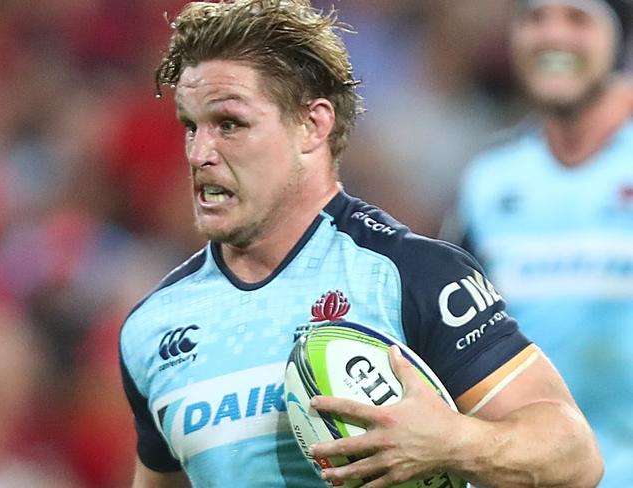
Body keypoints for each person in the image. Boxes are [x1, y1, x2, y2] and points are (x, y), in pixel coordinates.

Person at [119, 1, 603, 487]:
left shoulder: (411, 276)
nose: (200, 153)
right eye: (190, 126)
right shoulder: (154, 327)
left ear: (313, 124)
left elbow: (576, 456)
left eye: (229, 124)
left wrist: (456, 441)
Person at [448, 0, 633, 486]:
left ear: (620, 36)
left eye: (577, 18)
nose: (552, 36)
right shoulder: (488, 181)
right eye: (534, 17)